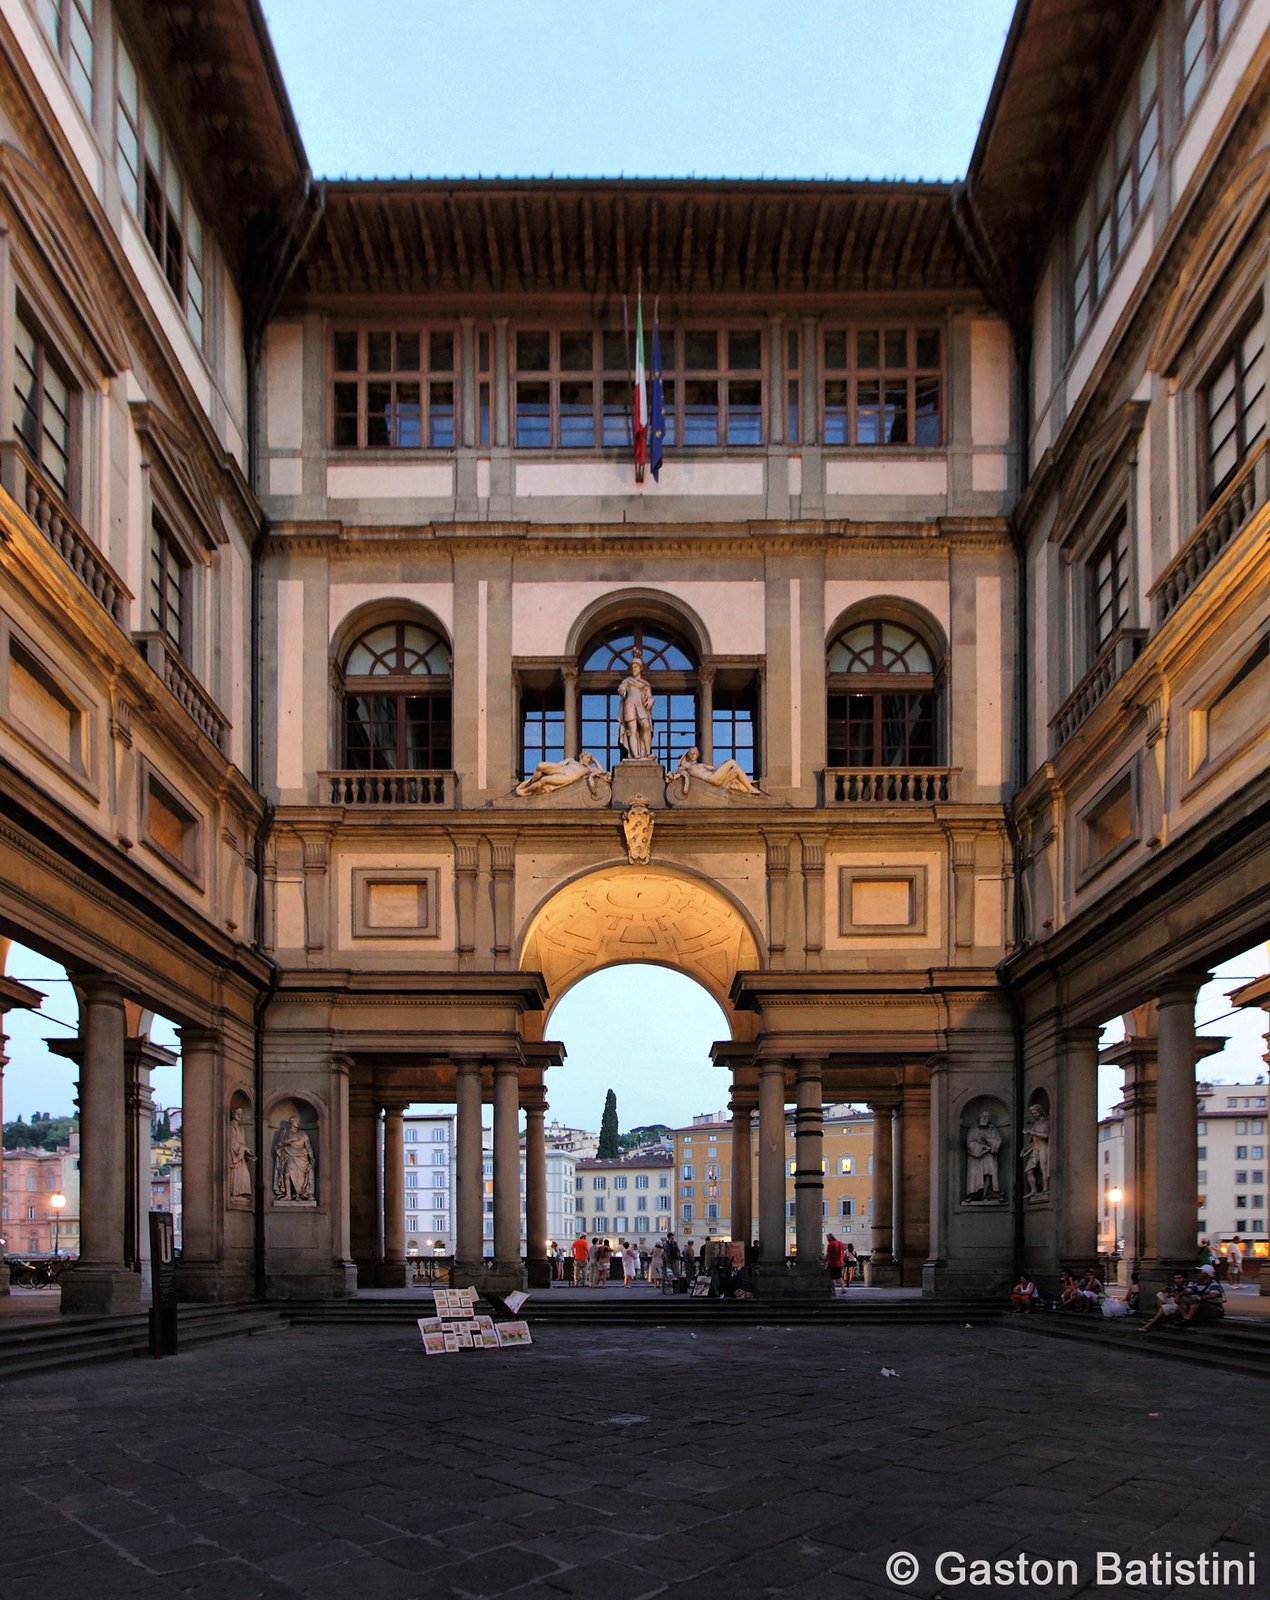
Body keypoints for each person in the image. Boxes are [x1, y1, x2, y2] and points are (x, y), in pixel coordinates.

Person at [515, 752, 608, 798]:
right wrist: (550, 769)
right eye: (587, 756)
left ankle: (525, 791)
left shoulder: (589, 769)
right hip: (560, 769)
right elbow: (559, 764)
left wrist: (595, 760)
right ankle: (531, 783)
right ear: (582, 756)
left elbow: (601, 770)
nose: (589, 758)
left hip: (565, 777)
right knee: (540, 765)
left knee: (544, 780)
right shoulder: (571, 760)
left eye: (590, 758)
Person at [674, 748, 762, 796]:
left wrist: (724, 763)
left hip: (717, 779)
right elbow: (679, 770)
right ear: (688, 756)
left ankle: (750, 789)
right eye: (691, 754)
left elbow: (714, 768)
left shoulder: (701, 765)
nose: (693, 755)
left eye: (694, 753)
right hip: (711, 779)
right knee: (732, 762)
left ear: (697, 755)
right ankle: (750, 788)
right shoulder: (687, 765)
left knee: (736, 770)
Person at [616, 656, 654, 759]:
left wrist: (650, 701)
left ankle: (647, 752)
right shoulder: (627, 681)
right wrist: (622, 690)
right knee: (632, 730)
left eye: (636, 667)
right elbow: (621, 688)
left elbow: (650, 696)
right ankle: (635, 755)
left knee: (646, 726)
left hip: (641, 706)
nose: (634, 669)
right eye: (632, 667)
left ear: (640, 668)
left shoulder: (645, 684)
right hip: (629, 706)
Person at [271, 1115, 314, 1202]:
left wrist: (312, 1158)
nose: (298, 1123)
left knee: (300, 1178)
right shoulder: (285, 1132)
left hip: (302, 1157)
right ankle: (288, 1195)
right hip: (288, 1155)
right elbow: (278, 1145)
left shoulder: (303, 1134)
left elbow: (308, 1147)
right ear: (292, 1121)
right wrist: (288, 1141)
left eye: (298, 1121)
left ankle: (299, 1194)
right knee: (287, 1174)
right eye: (296, 1121)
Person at [965, 1111, 1002, 1200]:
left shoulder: (993, 1129)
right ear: (980, 1118)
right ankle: (973, 1194)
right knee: (975, 1175)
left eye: (987, 1117)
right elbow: (970, 1143)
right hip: (977, 1157)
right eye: (983, 1116)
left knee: (989, 1174)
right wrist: (983, 1147)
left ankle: (986, 1194)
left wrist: (987, 1140)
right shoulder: (974, 1129)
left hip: (989, 1156)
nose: (985, 1118)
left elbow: (998, 1142)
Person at [228, 1105, 253, 1199]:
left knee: (245, 1174)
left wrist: (247, 1151)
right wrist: (243, 1149)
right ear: (232, 1113)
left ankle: (240, 1194)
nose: (239, 1115)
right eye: (237, 1113)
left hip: (241, 1156)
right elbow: (232, 1143)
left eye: (241, 1114)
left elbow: (242, 1143)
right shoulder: (231, 1127)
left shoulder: (241, 1128)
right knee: (239, 1174)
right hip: (236, 1156)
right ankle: (236, 1193)